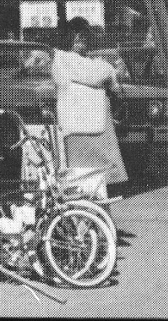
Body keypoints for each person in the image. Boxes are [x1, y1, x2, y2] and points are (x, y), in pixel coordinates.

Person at [50, 17, 126, 200]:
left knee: (93, 186)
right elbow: (97, 75)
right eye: (77, 35)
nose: (82, 39)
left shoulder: (79, 60)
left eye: (85, 35)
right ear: (67, 37)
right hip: (81, 132)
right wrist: (109, 69)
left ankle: (96, 224)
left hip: (91, 130)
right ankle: (88, 224)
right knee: (84, 185)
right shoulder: (63, 58)